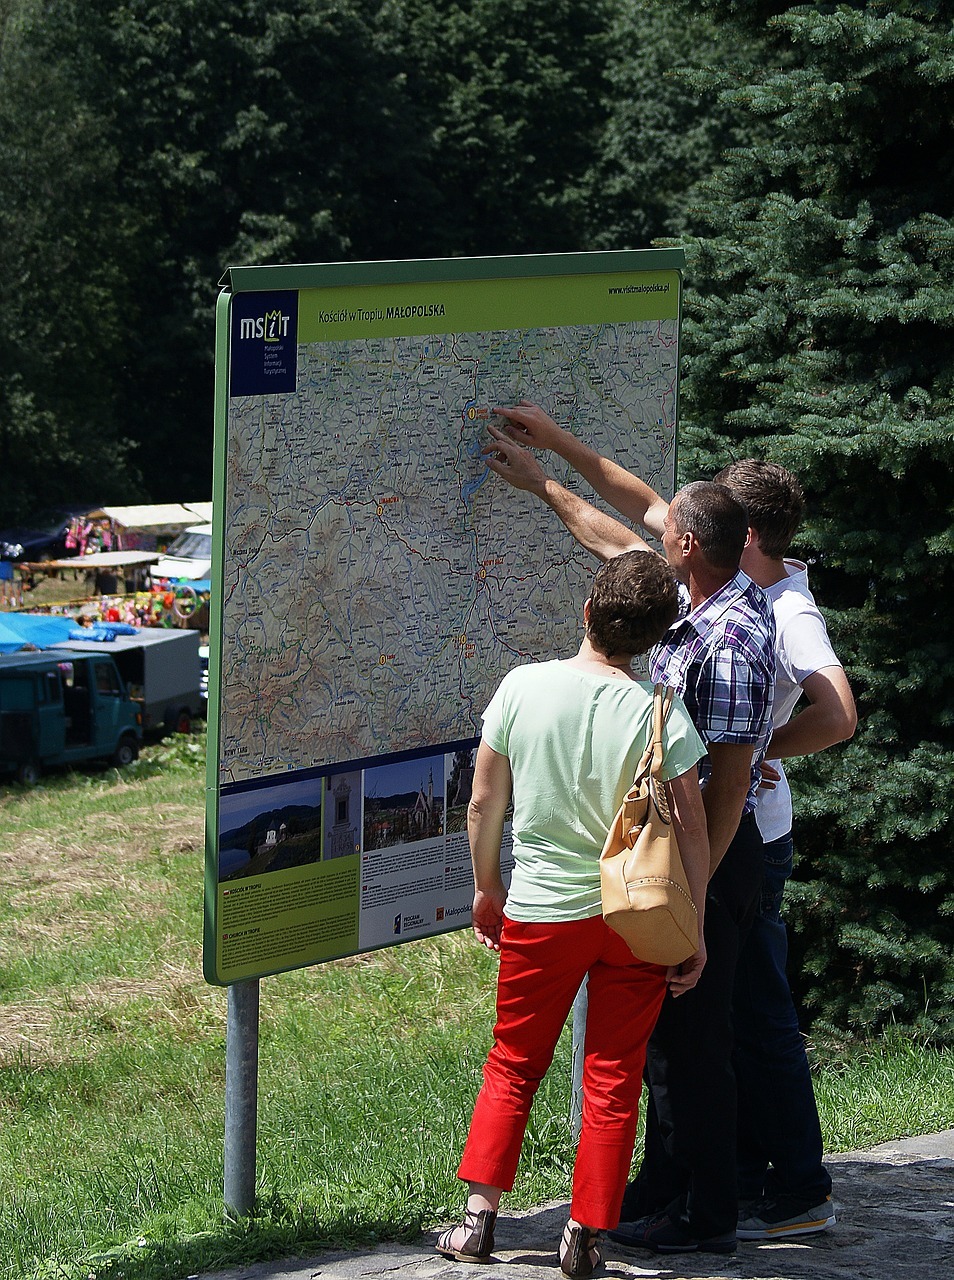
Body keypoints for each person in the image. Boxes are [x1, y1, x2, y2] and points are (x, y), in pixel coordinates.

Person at [483, 403, 775, 1254]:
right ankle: (652, 1188)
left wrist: (692, 899)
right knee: (655, 1049)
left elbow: (727, 787)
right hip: (664, 848)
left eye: (665, 526)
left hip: (705, 853)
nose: (653, 524)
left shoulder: (723, 641)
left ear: (686, 547)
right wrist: (549, 462)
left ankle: (707, 1212)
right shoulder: (696, 593)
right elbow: (618, 524)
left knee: (695, 1042)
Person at [437, 551, 711, 1276]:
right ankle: (586, 1233)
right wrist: (694, 927)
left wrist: (487, 887)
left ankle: (478, 1221)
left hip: (542, 910)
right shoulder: (660, 711)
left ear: (587, 611)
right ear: (654, 637)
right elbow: (691, 829)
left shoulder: (522, 687)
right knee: (614, 1076)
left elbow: (483, 803)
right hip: (634, 917)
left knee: (513, 1062)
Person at [713, 459, 856, 1240]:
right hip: (740, 828)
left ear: (749, 535)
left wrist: (764, 744)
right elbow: (641, 510)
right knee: (738, 1011)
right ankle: (747, 1174)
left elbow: (839, 714)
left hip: (756, 837)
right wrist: (551, 468)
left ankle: (801, 1188)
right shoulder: (741, 577)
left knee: (761, 1013)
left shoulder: (789, 610)